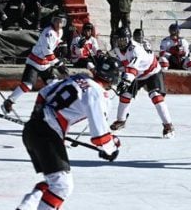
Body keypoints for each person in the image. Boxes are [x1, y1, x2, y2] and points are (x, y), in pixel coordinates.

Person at [14, 55, 122, 210]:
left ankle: (26, 207)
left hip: (33, 129)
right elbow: (100, 137)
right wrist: (111, 148)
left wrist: (39, 119)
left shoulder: (78, 78)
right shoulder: (97, 93)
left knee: (54, 183)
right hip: (46, 135)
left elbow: (43, 93)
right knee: (62, 186)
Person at [110, 26, 174, 137]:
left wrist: (125, 81)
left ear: (129, 38)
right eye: (118, 40)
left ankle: (168, 125)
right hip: (135, 75)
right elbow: (112, 60)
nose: (120, 43)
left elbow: (132, 69)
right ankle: (121, 120)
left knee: (156, 96)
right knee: (125, 94)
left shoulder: (135, 49)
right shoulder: (116, 50)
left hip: (151, 72)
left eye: (123, 39)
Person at [1, 12, 68, 115]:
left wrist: (63, 45)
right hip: (34, 62)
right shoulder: (48, 32)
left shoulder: (61, 31)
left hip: (46, 64)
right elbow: (47, 52)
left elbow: (56, 42)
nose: (58, 24)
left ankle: (51, 108)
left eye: (61, 22)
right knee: (27, 85)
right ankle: (9, 101)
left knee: (54, 84)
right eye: (56, 21)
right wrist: (59, 64)